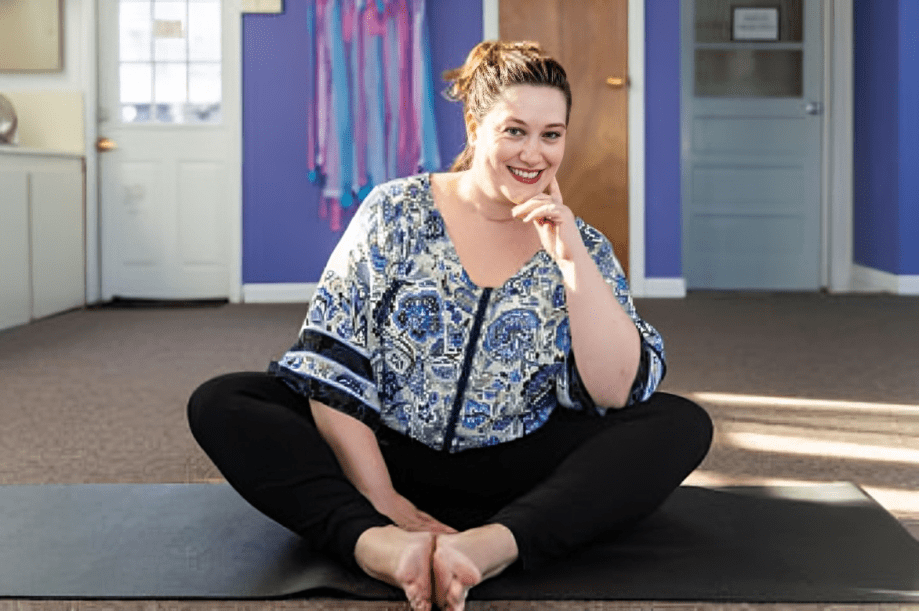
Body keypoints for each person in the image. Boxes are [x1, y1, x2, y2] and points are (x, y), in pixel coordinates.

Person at [187, 40, 713, 611]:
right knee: (225, 401)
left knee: (679, 423)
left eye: (551, 135)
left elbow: (615, 389)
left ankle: (494, 546)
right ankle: (376, 546)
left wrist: (570, 261)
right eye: (515, 130)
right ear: (473, 123)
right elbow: (333, 365)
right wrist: (382, 497)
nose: (534, 154)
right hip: (386, 451)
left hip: (518, 467)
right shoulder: (396, 211)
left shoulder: (579, 242)